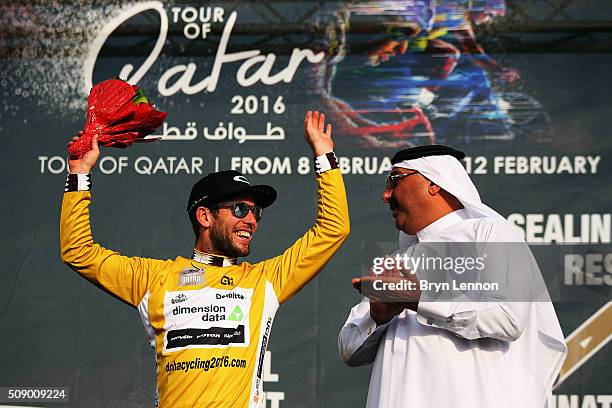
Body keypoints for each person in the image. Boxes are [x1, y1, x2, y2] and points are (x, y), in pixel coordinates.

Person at [60, 111, 350, 407]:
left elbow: (332, 229)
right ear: (205, 216)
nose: (251, 220)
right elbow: (78, 250)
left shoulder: (265, 282)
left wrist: (324, 155)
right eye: (240, 209)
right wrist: (80, 174)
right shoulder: (153, 278)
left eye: (256, 212)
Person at [338, 145, 566, 408]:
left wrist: (419, 300)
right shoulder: (399, 261)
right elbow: (349, 350)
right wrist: (377, 317)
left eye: (395, 180)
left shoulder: (488, 232)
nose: (386, 194)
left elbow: (508, 317)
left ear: (433, 183)